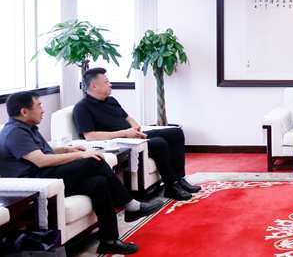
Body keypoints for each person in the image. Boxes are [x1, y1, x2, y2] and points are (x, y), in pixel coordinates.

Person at [0, 91, 161, 255]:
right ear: (24, 111)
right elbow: (41, 160)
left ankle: (109, 241)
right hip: (38, 183)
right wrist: (79, 155)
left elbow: (41, 151)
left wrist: (67, 149)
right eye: (38, 105)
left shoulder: (27, 127)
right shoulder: (15, 132)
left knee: (99, 182)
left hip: (47, 175)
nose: (43, 109)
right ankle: (130, 205)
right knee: (93, 161)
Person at [72, 68, 200, 201]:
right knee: (159, 143)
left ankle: (180, 178)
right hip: (120, 143)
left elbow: (127, 118)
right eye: (106, 82)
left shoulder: (111, 100)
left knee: (176, 132)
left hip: (133, 136)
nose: (110, 84)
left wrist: (136, 129)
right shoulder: (82, 108)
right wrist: (125, 133)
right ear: (94, 86)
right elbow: (90, 136)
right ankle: (171, 186)